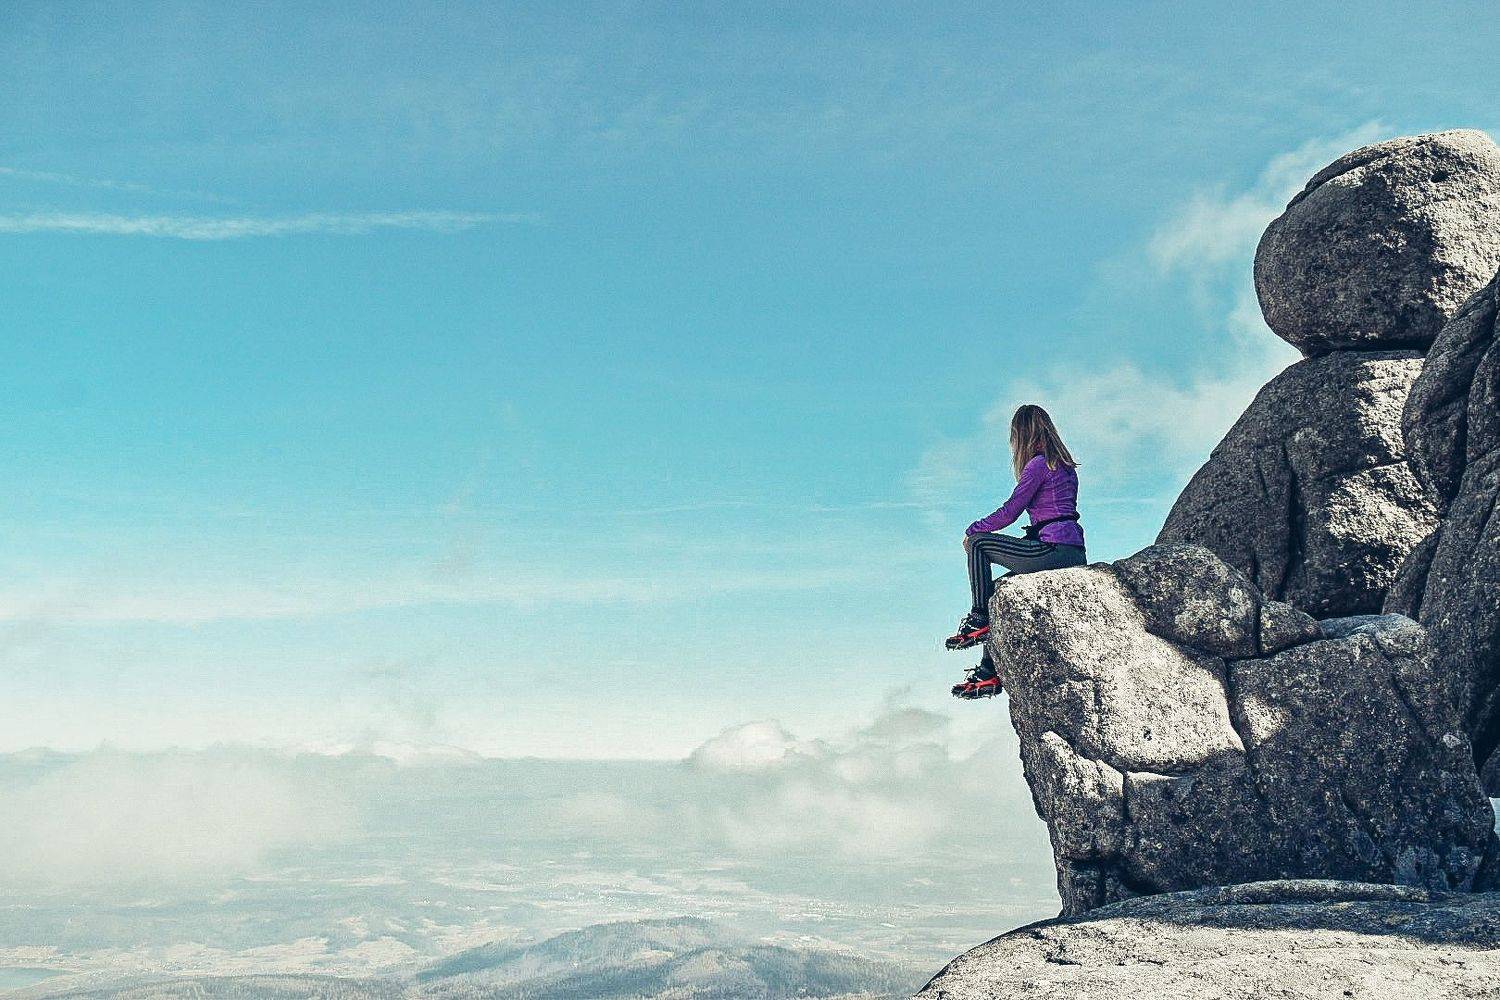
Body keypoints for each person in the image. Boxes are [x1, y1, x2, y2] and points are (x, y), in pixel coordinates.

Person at [945, 404, 1087, 699]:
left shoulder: (1039, 465)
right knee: (995, 593)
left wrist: (972, 531)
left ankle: (979, 619)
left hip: (1053, 549)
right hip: (1073, 550)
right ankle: (988, 672)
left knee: (979, 544)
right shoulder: (1065, 466)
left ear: (1022, 435)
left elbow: (1010, 511)